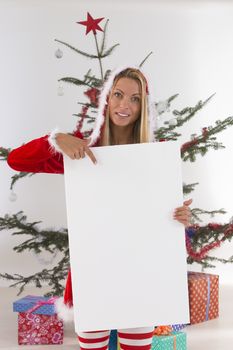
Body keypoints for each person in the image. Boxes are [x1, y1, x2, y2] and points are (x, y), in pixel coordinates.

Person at [7, 66, 192, 350]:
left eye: (134, 98)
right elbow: (16, 161)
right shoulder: (80, 149)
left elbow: (162, 219)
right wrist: (55, 140)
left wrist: (179, 218)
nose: (124, 105)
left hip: (140, 274)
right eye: (118, 94)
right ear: (107, 99)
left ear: (143, 106)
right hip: (92, 273)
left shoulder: (155, 158)